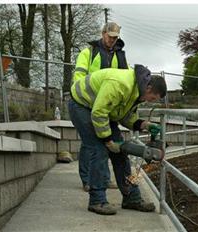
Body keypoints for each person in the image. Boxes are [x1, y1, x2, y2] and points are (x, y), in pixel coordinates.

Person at [68, 64, 166, 215]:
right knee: (98, 150)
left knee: (121, 154)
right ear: (149, 88)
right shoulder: (121, 84)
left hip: (100, 110)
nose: (150, 102)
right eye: (152, 98)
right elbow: (99, 113)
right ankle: (97, 201)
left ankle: (131, 198)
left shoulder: (137, 92)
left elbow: (125, 116)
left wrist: (144, 124)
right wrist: (108, 141)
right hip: (81, 105)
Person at [72, 22, 129, 192]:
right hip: (87, 102)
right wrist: (84, 99)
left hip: (106, 105)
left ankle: (103, 179)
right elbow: (79, 77)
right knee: (90, 143)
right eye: (110, 36)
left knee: (106, 142)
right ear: (103, 33)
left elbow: (124, 79)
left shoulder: (120, 56)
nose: (112, 39)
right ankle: (87, 179)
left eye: (115, 37)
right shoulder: (88, 53)